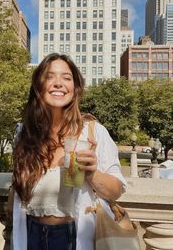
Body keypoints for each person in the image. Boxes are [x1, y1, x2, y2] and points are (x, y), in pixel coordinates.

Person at [12, 53, 126, 250]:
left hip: (72, 235)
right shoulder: (24, 133)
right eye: (49, 76)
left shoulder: (93, 132)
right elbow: (16, 189)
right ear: (38, 86)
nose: (58, 83)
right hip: (29, 233)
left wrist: (92, 173)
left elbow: (116, 191)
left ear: (75, 88)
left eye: (66, 78)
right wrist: (10, 236)